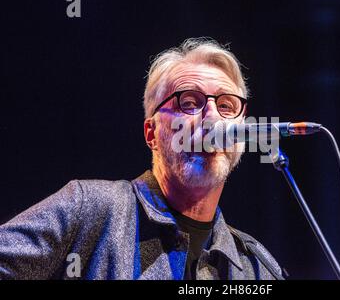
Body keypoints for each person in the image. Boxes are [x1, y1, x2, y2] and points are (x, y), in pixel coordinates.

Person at [0, 38, 283, 280]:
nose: (212, 118)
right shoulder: (91, 209)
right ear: (152, 132)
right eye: (189, 102)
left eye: (226, 106)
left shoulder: (258, 266)